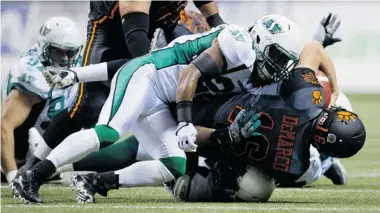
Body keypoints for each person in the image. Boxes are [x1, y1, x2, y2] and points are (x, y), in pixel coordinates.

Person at [17, 1, 226, 178]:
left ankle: (194, 159)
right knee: (89, 107)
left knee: (197, 73)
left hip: (162, 22)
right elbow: (135, 37)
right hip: (111, 28)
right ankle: (35, 161)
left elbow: (211, 15)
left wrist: (219, 25)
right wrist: (156, 75)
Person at [1, 16, 83, 184]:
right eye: (59, 51)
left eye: (70, 52)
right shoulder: (32, 70)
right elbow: (5, 124)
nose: (66, 59)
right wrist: (12, 176)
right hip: (23, 152)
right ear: (44, 47)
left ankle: (54, 163)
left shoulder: (81, 63)